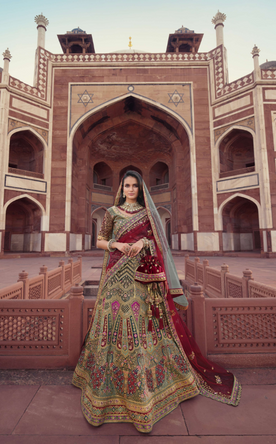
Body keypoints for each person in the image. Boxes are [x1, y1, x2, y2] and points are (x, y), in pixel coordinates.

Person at [72, 170, 241, 433]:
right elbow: (100, 240)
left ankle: (147, 387)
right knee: (114, 323)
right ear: (121, 188)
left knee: (141, 326)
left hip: (141, 279)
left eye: (134, 186)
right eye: (126, 186)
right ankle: (105, 384)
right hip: (116, 278)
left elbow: (156, 243)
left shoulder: (147, 214)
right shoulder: (112, 213)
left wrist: (142, 242)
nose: (130, 189)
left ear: (140, 189)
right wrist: (116, 245)